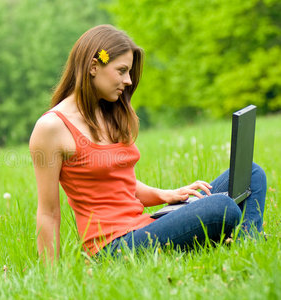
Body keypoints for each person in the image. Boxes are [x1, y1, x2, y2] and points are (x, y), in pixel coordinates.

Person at [29, 24, 266, 262]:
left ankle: (247, 245)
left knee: (251, 174)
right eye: (121, 71)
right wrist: (52, 279)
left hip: (143, 226)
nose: (129, 81)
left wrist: (168, 195)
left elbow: (121, 184)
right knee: (219, 207)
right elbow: (48, 213)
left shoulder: (110, 113)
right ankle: (240, 243)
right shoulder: (52, 128)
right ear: (93, 67)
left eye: (129, 72)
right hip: (114, 248)